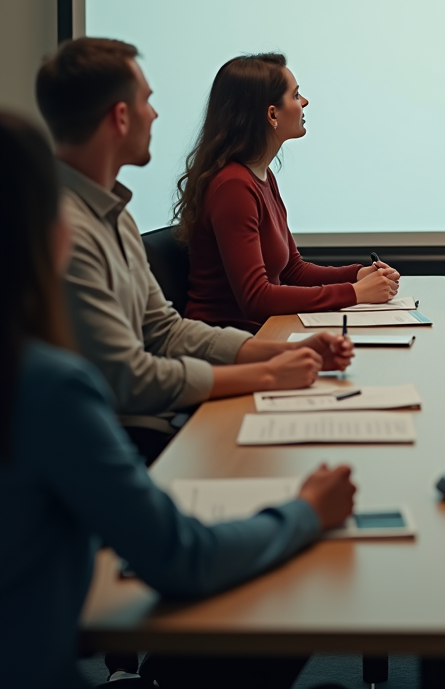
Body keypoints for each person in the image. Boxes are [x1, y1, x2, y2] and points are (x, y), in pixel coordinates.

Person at [0, 112, 358, 689]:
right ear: (52, 233)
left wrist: (263, 357)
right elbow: (180, 556)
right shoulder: (45, 387)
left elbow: (167, 328)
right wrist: (307, 511)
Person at [35, 38, 354, 464]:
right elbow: (132, 379)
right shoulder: (67, 232)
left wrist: (282, 351)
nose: (156, 113)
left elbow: (167, 331)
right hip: (107, 445)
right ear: (121, 116)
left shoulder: (115, 216)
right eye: (147, 101)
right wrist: (262, 372)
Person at [176, 53, 400, 331]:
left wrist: (358, 274)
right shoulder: (233, 186)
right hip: (230, 340)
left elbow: (292, 270)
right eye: (295, 96)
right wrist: (355, 293)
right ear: (272, 114)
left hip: (263, 330)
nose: (304, 102)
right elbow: (257, 298)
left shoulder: (261, 175)